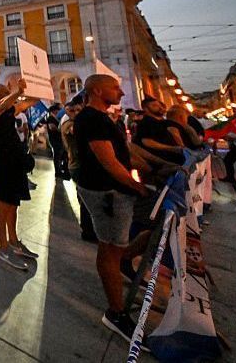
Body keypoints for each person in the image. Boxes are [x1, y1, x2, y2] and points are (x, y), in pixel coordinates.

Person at [73, 74, 150, 345]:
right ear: (96, 90)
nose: (120, 91)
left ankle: (124, 263)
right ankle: (115, 312)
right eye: (114, 87)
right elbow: (108, 161)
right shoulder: (90, 119)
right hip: (106, 192)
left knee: (117, 245)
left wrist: (152, 168)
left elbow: (124, 153)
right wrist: (135, 185)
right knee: (108, 248)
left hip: (114, 190)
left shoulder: (104, 117)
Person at [0, 79, 38, 270]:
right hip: (3, 160)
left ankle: (14, 241)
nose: (9, 94)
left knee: (13, 202)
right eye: (5, 91)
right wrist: (16, 92)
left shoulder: (9, 110)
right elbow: (2, 105)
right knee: (3, 201)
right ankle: (4, 246)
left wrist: (38, 86)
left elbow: (27, 103)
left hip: (16, 159)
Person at [60, 96, 97, 242]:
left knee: (88, 198)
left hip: (85, 164)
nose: (75, 113)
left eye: (78, 110)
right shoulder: (69, 124)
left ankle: (90, 228)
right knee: (85, 199)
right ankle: (87, 231)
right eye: (71, 110)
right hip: (77, 165)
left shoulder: (80, 122)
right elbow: (77, 131)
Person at [132, 97, 185, 165]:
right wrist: (172, 148)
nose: (160, 107)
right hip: (165, 161)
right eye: (154, 105)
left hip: (177, 159)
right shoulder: (146, 123)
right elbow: (147, 141)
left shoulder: (163, 122)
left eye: (159, 105)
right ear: (146, 109)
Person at [44, 103, 70, 180]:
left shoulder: (57, 118)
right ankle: (57, 172)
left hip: (59, 139)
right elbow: (52, 127)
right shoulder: (50, 118)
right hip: (55, 140)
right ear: (54, 110)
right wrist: (61, 129)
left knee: (62, 154)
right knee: (57, 155)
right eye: (58, 110)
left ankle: (61, 169)